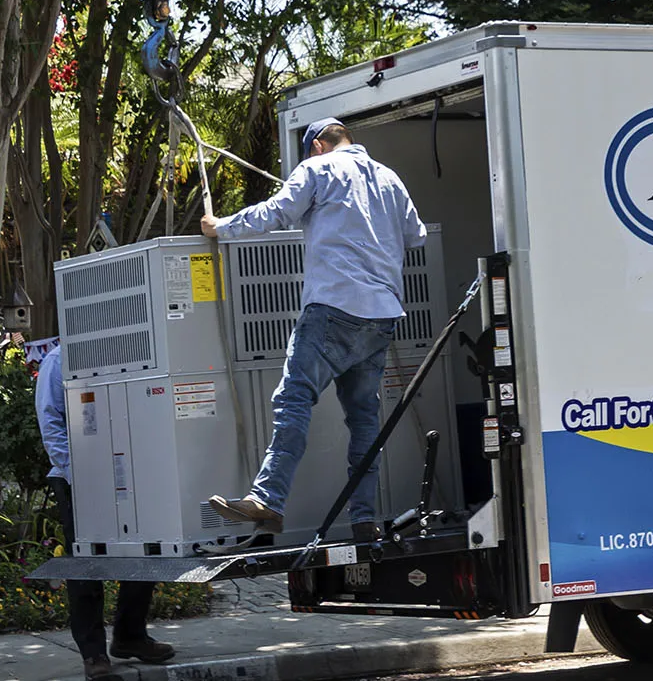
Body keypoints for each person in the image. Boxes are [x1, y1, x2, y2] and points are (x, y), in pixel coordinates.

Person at [199, 117, 428, 544]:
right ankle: (364, 518)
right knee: (364, 421)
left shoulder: (317, 170)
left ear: (318, 146)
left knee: (294, 399)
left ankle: (268, 498)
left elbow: (277, 212)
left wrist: (221, 227)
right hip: (381, 318)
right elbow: (415, 235)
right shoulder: (390, 179)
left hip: (333, 307)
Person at [37, 342, 175, 680]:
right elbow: (50, 420)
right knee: (87, 565)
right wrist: (75, 474)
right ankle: (93, 654)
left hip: (126, 471)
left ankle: (130, 636)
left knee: (145, 553)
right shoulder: (58, 359)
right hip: (77, 480)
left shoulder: (123, 349)